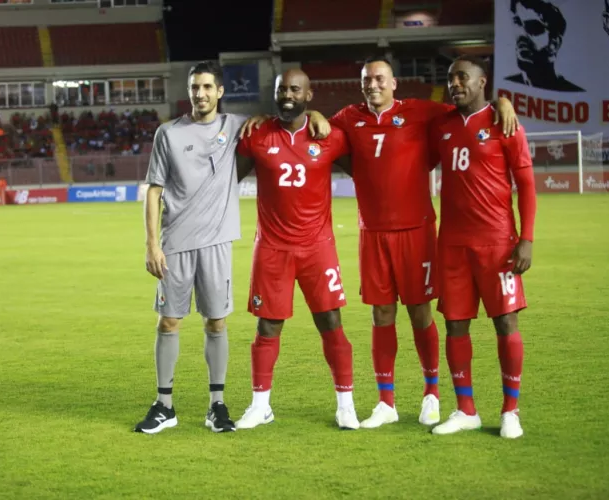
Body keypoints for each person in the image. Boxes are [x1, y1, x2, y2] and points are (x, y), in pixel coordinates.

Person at [135, 61, 330, 435]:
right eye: (195, 87)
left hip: (217, 243)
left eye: (208, 87)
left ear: (220, 92)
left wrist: (317, 113)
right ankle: (164, 405)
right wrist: (151, 244)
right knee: (169, 321)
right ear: (189, 91)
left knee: (216, 323)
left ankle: (217, 405)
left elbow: (287, 117)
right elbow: (154, 190)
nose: (200, 94)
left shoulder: (238, 126)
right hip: (174, 242)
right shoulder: (168, 133)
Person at [328, 57, 519, 430]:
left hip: (417, 231)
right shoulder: (349, 117)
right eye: (367, 80)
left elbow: (470, 105)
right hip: (373, 233)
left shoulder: (421, 111)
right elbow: (311, 127)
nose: (373, 85)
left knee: (420, 312)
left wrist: (501, 102)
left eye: (380, 79)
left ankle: (431, 393)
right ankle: (387, 402)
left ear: (394, 83)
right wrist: (318, 119)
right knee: (380, 314)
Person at [234, 69, 359, 431]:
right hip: (272, 248)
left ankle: (346, 405)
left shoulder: (329, 136)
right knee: (267, 325)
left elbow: (365, 172)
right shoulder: (257, 135)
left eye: (294, 89)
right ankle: (260, 406)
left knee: (331, 322)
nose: (287, 95)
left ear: (309, 94)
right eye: (281, 89)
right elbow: (227, 179)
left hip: (318, 247)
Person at [429, 56, 536, 439]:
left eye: (462, 77)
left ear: (481, 82)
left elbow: (526, 184)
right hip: (453, 245)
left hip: (498, 243)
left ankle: (511, 410)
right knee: (455, 324)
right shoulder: (440, 124)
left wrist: (526, 239)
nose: (455, 83)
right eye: (450, 78)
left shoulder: (503, 123)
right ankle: (465, 409)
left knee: (505, 322)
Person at [505, 0, 584, 92]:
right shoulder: (507, 87)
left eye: (532, 27)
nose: (522, 34)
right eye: (517, 24)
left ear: (555, 43)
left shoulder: (572, 92)